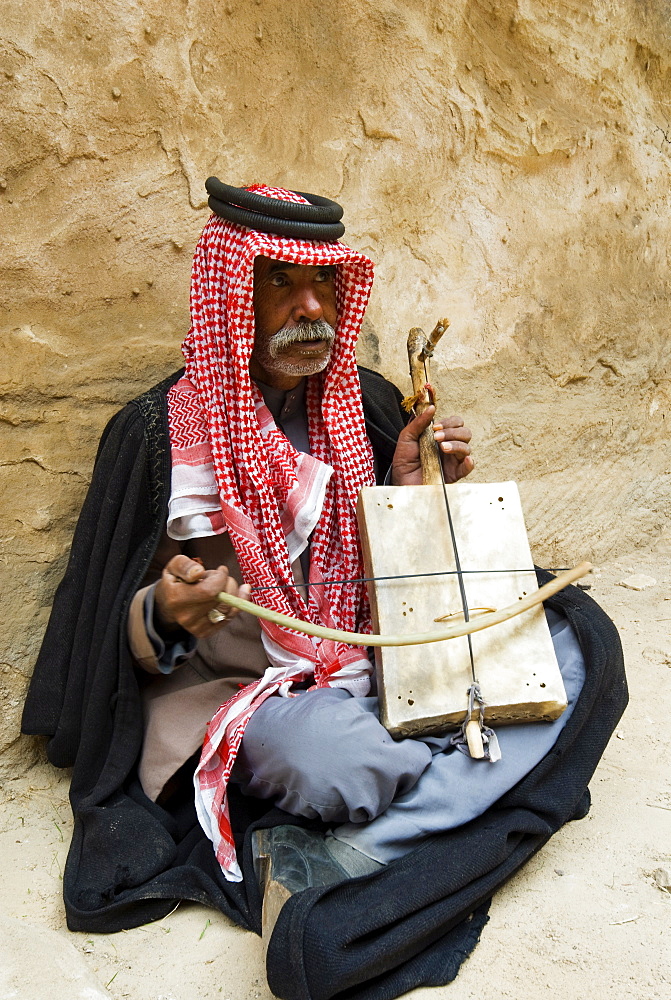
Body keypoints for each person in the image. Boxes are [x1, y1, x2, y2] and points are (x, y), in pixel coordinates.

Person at [22, 181, 627, 1000]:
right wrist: (165, 613)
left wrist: (409, 487)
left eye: (325, 284)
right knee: (344, 764)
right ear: (232, 292)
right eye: (279, 282)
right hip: (251, 690)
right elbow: (100, 634)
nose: (310, 308)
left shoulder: (364, 400)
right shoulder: (157, 433)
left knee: (575, 636)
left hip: (370, 647)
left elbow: (403, 577)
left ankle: (360, 852)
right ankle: (456, 784)